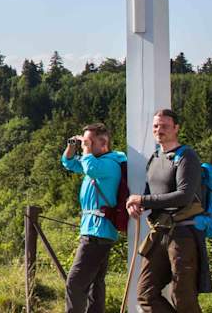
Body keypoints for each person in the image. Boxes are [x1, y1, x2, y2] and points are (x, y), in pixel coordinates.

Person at [126, 109, 211, 313]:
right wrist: (137, 205)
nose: (159, 130)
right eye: (156, 126)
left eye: (164, 126)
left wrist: (143, 199)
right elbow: (150, 193)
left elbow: (184, 196)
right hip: (159, 234)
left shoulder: (187, 156)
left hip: (183, 235)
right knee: (145, 295)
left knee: (183, 298)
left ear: (176, 128)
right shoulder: (155, 158)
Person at [61, 122, 126, 313]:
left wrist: (87, 150)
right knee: (94, 285)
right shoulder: (97, 162)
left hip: (97, 232)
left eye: (89, 142)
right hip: (96, 231)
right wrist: (72, 146)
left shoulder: (109, 164)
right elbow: (69, 163)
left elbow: (90, 169)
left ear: (103, 142)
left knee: (75, 283)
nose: (85, 145)